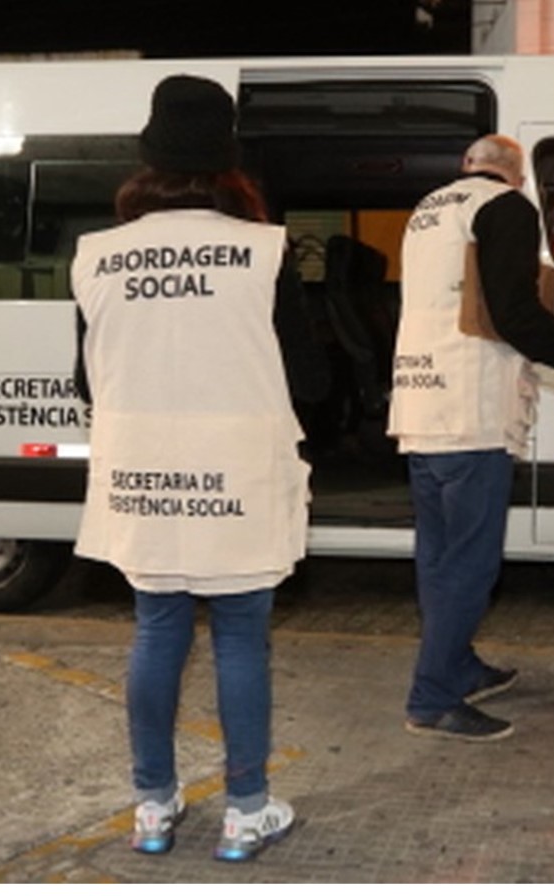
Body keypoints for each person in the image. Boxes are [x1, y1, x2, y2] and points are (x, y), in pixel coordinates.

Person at [71, 74, 321, 861]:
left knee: (157, 628)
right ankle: (246, 811)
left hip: (142, 469)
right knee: (242, 635)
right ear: (230, 163)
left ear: (147, 160)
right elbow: (310, 378)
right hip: (236, 468)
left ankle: (152, 806)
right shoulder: (263, 252)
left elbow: (85, 379)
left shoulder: (98, 257)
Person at [387, 134, 554, 742]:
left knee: (438, 558)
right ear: (517, 178)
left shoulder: (429, 210)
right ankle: (432, 697)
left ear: (468, 167)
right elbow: (513, 312)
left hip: (420, 406)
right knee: (468, 562)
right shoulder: (505, 208)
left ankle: (458, 666)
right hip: (472, 409)